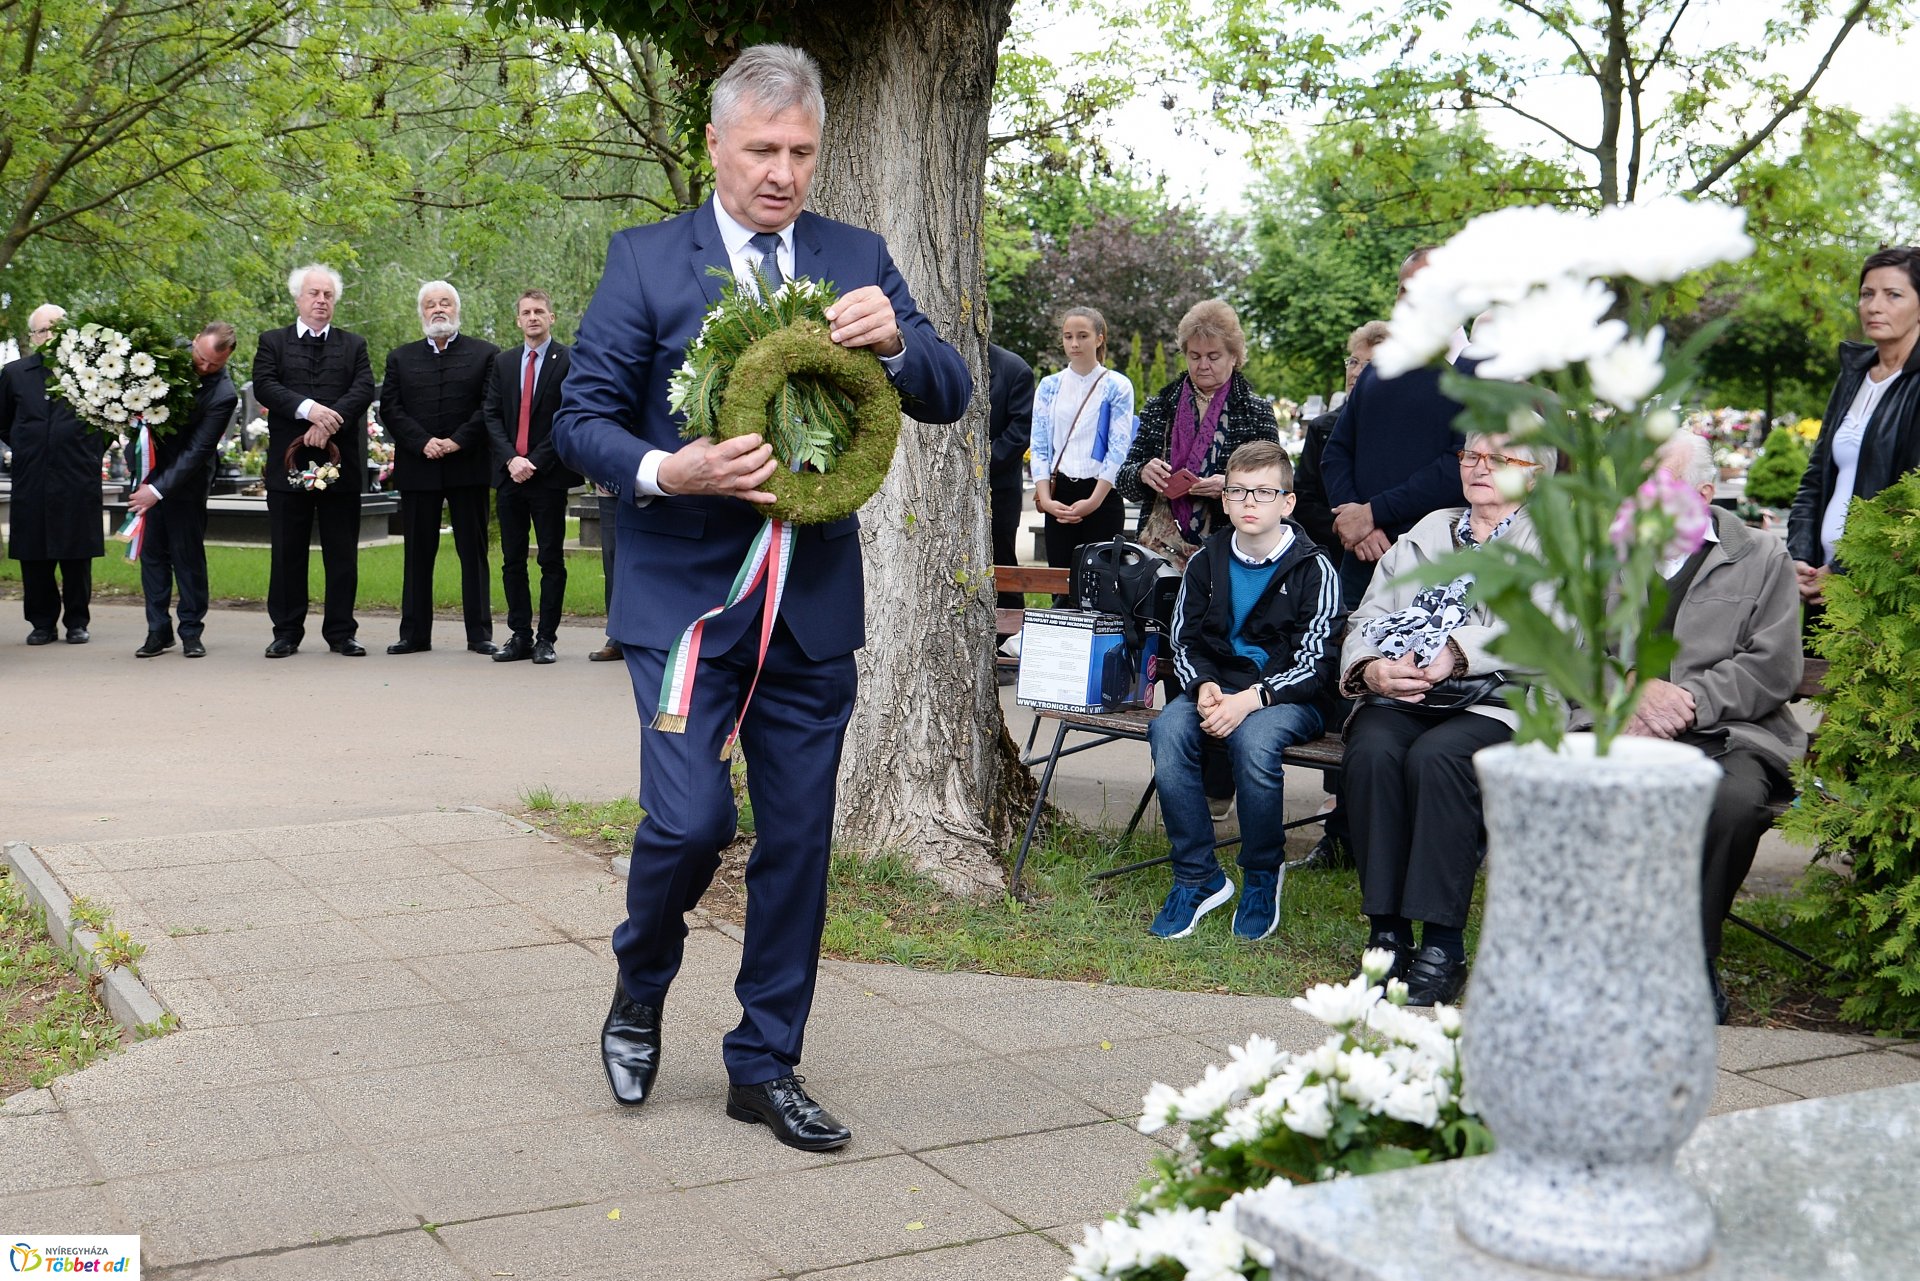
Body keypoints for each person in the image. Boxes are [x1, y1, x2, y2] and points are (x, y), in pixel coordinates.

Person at [552, 44, 971, 1151]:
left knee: (798, 841)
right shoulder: (645, 261)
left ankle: (764, 1063)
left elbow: (949, 390)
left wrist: (902, 341)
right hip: (685, 604)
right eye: (762, 150)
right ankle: (642, 977)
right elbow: (580, 421)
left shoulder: (855, 256)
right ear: (714, 146)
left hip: (812, 605)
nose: (783, 172)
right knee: (693, 819)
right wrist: (669, 468)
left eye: (801, 151)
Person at [1337, 433, 1559, 1006]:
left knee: (1439, 759)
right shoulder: (1431, 529)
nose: (1479, 467)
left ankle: (1442, 944)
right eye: (1471, 456)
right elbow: (1369, 614)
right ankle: (1386, 934)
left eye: (1500, 458)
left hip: (1505, 697)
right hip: (1409, 692)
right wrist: (1371, 669)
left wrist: (1457, 652)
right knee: (1373, 750)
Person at [1613, 432, 1805, 1024]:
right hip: (1622, 727)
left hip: (1729, 731)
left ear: (1703, 493)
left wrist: (1690, 701)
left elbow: (1773, 665)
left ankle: (1692, 959)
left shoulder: (1761, 555)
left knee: (1733, 804)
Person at [1145, 440, 1344, 940]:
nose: (1250, 502)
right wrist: (1203, 686)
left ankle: (1260, 874)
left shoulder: (1314, 568)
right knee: (1168, 731)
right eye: (1238, 491)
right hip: (1218, 687)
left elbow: (1316, 662)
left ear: (1287, 502)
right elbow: (1184, 640)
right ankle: (1197, 876)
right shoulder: (1205, 562)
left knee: (1253, 742)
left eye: (1264, 492)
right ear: (1225, 499)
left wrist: (1251, 700)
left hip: (1290, 697)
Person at [1321, 248, 1474, 613]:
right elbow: (1336, 450)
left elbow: (1461, 465)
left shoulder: (1478, 372)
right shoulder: (1379, 368)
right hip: (1362, 559)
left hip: (1435, 563)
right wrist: (1358, 520)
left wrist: (1373, 513)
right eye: (1404, 290)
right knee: (1344, 648)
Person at [251, 264, 377, 658]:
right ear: (298, 298)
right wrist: (309, 410)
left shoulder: (354, 345)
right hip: (288, 467)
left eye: (327, 295)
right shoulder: (273, 342)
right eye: (314, 294)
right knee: (287, 553)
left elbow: (363, 389)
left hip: (341, 466)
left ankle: (341, 633)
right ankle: (286, 632)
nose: (321, 301)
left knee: (342, 554)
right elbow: (265, 385)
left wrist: (328, 422)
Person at [1788, 245, 1920, 610]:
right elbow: (1815, 478)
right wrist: (1799, 555)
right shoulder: (1853, 375)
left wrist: (1844, 570)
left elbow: (1911, 501)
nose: (1874, 306)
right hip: (1819, 579)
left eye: (1893, 295)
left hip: (1890, 590)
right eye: (1867, 294)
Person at [381, 281, 500, 655]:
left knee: (472, 552)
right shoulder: (400, 358)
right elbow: (391, 409)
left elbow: (489, 406)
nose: (438, 309)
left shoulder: (485, 354)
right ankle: (414, 634)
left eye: (445, 303)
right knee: (417, 554)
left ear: (457, 309)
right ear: (421, 312)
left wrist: (458, 440)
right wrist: (423, 442)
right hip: (419, 467)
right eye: (430, 304)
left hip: (468, 465)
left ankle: (479, 633)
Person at [1117, 299, 1278, 569]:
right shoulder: (1160, 406)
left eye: (1213, 357)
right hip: (1158, 552)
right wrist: (1142, 473)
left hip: (1231, 548)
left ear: (1234, 356)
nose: (1203, 365)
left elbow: (1272, 485)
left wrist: (1230, 487)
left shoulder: (1255, 411)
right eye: (1194, 356)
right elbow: (1124, 481)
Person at [126, 323, 240, 658]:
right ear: (194, 341)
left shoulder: (224, 394)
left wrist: (157, 490)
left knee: (186, 556)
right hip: (147, 469)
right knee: (152, 555)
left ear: (226, 359)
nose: (203, 367)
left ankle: (191, 630)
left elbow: (197, 451)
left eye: (214, 364)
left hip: (187, 482)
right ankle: (157, 631)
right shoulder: (164, 354)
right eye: (200, 357)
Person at [485, 288, 579, 664]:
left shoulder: (568, 360)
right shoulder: (504, 362)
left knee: (551, 560)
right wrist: (511, 459)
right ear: (518, 320)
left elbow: (568, 416)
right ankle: (520, 635)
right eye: (526, 312)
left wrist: (534, 461)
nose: (533, 317)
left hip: (548, 477)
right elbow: (491, 415)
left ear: (551, 317)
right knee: (512, 560)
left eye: (539, 311)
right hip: (510, 476)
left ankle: (546, 639)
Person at [1, 304, 104, 644]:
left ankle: (77, 621)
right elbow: (4, 421)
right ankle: (42, 623)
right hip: (32, 477)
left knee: (76, 553)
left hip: (76, 476)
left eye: (56, 329)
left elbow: (107, 422)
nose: (49, 336)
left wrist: (86, 452)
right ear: (33, 336)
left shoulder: (89, 372)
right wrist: (28, 444)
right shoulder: (15, 374)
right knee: (34, 554)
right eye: (42, 330)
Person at [1029, 307, 1135, 574]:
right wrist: (1047, 501)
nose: (1074, 343)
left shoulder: (1118, 386)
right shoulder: (1049, 386)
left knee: (1102, 585)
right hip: (1060, 495)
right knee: (1061, 583)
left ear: (1099, 339)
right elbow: (1039, 445)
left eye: (1082, 336)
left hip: (1102, 494)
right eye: (1068, 337)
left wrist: (1094, 501)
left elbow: (1118, 447)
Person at [1293, 320, 1390, 560]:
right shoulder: (1321, 428)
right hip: (1331, 555)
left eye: (1369, 364)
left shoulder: (1402, 431)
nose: (1356, 372)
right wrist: (1354, 532)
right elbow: (1303, 500)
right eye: (1353, 362)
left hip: (1389, 551)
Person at [987, 341, 1035, 609]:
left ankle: (1011, 629)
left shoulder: (1015, 369)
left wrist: (977, 465)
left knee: (1002, 563)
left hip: (999, 491)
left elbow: (1019, 434)